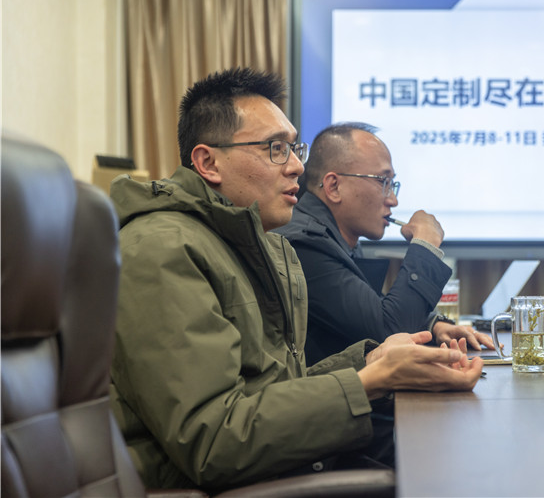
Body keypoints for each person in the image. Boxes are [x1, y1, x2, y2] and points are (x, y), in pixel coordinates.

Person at [109, 68, 483, 492]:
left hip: (282, 467)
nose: (297, 167)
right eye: (275, 149)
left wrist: (372, 360)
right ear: (208, 162)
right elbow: (213, 443)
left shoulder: (263, 246)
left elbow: (278, 391)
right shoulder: (162, 249)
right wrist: (368, 381)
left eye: (294, 148)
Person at [275, 122, 495, 365]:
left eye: (392, 184)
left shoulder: (334, 235)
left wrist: (434, 325)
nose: (393, 200)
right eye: (383, 182)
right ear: (334, 187)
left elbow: (371, 311)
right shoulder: (306, 244)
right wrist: (426, 246)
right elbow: (389, 332)